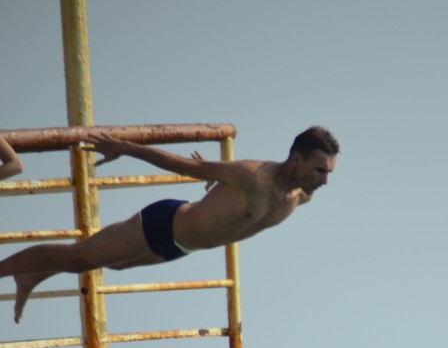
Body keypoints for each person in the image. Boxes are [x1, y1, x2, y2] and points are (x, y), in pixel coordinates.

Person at [2, 124, 339, 322]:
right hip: (163, 225)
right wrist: (124, 148)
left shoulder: (303, 196)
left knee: (97, 264)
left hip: (180, 247)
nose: (324, 181)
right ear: (296, 159)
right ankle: (11, 270)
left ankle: (30, 275)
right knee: (76, 257)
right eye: (319, 170)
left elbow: (231, 203)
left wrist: (218, 181)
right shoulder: (253, 176)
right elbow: (182, 165)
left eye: (328, 173)